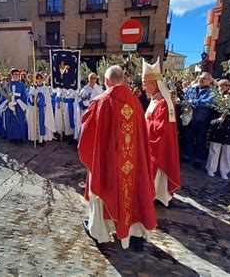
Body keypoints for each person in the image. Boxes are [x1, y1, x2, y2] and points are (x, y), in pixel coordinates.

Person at [78, 65, 157, 251]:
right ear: (122, 80)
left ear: (106, 81)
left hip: (108, 164)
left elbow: (87, 136)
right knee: (134, 191)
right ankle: (135, 234)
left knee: (103, 192)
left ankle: (100, 232)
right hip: (133, 164)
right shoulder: (136, 103)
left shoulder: (100, 102)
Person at [142, 58, 181, 207]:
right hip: (150, 143)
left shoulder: (164, 103)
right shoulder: (155, 100)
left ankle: (158, 196)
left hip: (158, 146)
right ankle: (158, 195)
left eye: (146, 85)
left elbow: (160, 127)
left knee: (157, 173)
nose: (144, 88)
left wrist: (144, 132)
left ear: (154, 84)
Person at [184, 72, 214, 169]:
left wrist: (193, 102)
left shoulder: (211, 91)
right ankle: (188, 155)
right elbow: (186, 96)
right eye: (200, 78)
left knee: (201, 140)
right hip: (190, 118)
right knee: (188, 138)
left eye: (204, 78)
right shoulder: (193, 88)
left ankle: (198, 159)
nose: (201, 80)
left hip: (202, 120)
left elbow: (208, 102)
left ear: (209, 81)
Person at [27, 73, 56, 145]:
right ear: (35, 79)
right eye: (37, 78)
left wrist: (41, 100)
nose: (39, 80)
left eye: (40, 78)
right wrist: (33, 98)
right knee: (35, 123)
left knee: (42, 123)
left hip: (43, 109)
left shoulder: (46, 88)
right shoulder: (33, 87)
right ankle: (35, 138)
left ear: (43, 79)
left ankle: (42, 139)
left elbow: (47, 99)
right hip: (34, 109)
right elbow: (29, 98)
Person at [74, 73, 104, 140]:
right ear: (88, 79)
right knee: (83, 127)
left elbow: (101, 100)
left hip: (93, 113)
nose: (92, 80)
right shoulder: (84, 88)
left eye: (94, 78)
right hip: (84, 111)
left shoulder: (99, 89)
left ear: (96, 79)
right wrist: (81, 103)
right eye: (90, 78)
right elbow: (79, 97)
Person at [5, 68, 28, 143]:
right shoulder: (8, 85)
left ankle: (20, 137)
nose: (17, 76)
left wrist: (16, 102)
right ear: (11, 75)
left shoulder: (22, 85)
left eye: (18, 74)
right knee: (11, 121)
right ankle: (12, 136)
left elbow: (24, 95)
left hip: (19, 106)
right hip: (10, 106)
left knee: (20, 121)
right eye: (15, 74)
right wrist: (8, 102)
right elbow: (5, 94)